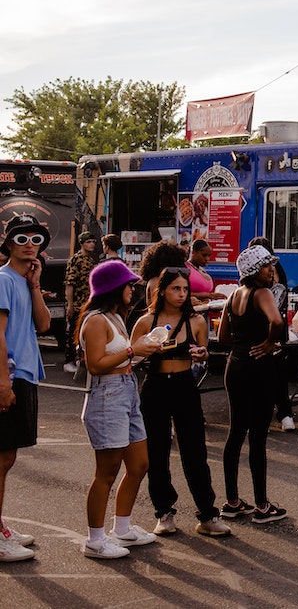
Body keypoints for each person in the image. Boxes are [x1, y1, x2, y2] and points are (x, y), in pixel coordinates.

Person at [131, 266, 230, 537]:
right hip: (155, 387)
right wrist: (146, 349)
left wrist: (202, 354)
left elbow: (204, 353)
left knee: (195, 451)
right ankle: (164, 513)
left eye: (185, 289)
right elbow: (132, 357)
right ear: (161, 290)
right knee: (157, 452)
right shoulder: (146, 321)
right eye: (176, 288)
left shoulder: (195, 321)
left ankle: (207, 514)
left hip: (185, 386)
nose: (182, 294)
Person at [77, 260, 162, 559]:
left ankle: (122, 528)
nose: (133, 289)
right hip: (106, 397)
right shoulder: (96, 320)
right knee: (107, 471)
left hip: (126, 391)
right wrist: (132, 350)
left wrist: (142, 351)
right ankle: (95, 540)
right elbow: (96, 364)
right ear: (113, 287)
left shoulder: (115, 317)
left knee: (139, 463)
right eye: (128, 285)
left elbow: (123, 358)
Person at [219, 245, 288, 525]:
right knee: (257, 436)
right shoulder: (262, 293)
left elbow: (223, 335)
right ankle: (262, 506)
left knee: (236, 432)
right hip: (259, 367)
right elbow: (277, 321)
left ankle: (233, 502)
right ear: (253, 271)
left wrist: (242, 345)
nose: (271, 269)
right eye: (265, 266)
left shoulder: (234, 295)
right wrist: (270, 342)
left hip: (235, 365)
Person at [0, 215, 52, 562]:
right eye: (22, 238)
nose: (30, 243)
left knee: (8, 457)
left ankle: (1, 525)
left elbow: (44, 323)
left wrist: (35, 284)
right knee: (1, 456)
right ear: (8, 243)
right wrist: (2, 382)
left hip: (27, 374)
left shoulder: (23, 281)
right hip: (11, 375)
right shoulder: (2, 279)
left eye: (36, 238)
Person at [246, 236, 296, 433]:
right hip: (277, 334)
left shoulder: (261, 282)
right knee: (278, 376)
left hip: (263, 333)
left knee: (260, 376)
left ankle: (257, 418)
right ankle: (285, 415)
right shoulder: (279, 271)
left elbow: (272, 314)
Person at [62, 231, 98, 373]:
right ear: (82, 243)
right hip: (77, 303)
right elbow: (70, 283)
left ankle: (79, 358)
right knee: (73, 333)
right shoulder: (76, 259)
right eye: (88, 242)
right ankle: (68, 360)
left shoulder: (90, 260)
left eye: (93, 242)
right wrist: (70, 304)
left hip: (88, 303)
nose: (92, 244)